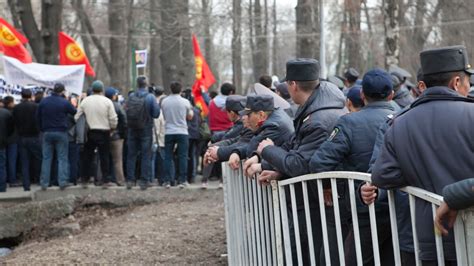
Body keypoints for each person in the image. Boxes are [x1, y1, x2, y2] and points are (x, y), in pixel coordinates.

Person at [371, 45, 474, 265]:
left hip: (432, 239)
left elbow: (383, 175)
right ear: (456, 82)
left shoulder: (400, 123)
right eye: (467, 81)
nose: (469, 87)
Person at [245, 58, 347, 264]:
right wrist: (275, 169)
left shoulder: (318, 118)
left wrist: (267, 150)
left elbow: (301, 164)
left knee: (313, 253)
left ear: (292, 85)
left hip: (319, 201)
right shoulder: (316, 107)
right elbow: (297, 147)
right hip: (317, 198)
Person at [227, 94, 294, 170]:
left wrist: (237, 152)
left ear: (261, 115)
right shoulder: (275, 116)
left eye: (248, 115)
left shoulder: (272, 126)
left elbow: (251, 149)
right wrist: (237, 152)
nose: (245, 118)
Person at [75, 81, 117, 188]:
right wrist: (112, 128)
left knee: (87, 157)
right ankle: (105, 180)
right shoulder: (107, 102)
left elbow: (77, 117)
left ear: (92, 89)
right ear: (102, 90)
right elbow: (113, 118)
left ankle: (85, 179)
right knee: (104, 157)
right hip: (104, 132)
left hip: (90, 132)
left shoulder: (85, 101)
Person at [202, 95, 250, 188]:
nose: (244, 117)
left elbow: (231, 139)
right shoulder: (241, 124)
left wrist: (215, 149)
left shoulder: (243, 125)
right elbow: (234, 138)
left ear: (232, 113)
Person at [37, 83, 77, 190]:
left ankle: (44, 183)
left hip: (47, 132)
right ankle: (62, 182)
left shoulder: (44, 101)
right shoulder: (64, 102)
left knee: (46, 158)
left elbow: (38, 117)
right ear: (62, 91)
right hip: (61, 132)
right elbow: (74, 112)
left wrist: (42, 129)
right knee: (62, 158)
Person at [125, 76, 160, 190]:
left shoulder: (131, 96)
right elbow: (156, 114)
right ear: (146, 85)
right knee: (146, 155)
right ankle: (144, 181)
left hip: (132, 129)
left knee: (131, 155)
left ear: (137, 84)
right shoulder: (150, 97)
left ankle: (130, 180)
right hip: (145, 128)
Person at [160, 81, 193, 188]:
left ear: (170, 89)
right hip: (182, 131)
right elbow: (190, 117)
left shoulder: (164, 101)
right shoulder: (185, 102)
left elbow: (164, 116)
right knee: (183, 156)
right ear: (180, 89)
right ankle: (182, 180)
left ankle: (167, 181)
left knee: (168, 157)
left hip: (169, 131)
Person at [12, 89, 42, 191]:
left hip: (22, 137)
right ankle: (39, 179)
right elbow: (39, 120)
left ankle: (26, 184)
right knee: (39, 159)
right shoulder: (35, 107)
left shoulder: (16, 108)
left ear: (21, 95)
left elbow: (14, 122)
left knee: (24, 162)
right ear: (30, 95)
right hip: (34, 136)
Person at [105, 87, 127, 186]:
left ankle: (102, 179)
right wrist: (122, 134)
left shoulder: (103, 105)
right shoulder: (117, 106)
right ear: (114, 96)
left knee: (104, 158)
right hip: (116, 136)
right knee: (117, 160)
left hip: (104, 135)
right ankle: (120, 180)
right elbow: (124, 120)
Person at [3, 96, 19, 188]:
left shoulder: (3, 112)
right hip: (13, 139)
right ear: (10, 103)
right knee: (12, 160)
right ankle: (12, 179)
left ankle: (4, 179)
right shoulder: (13, 113)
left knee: (4, 161)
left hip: (3, 140)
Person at [152, 86, 166, 185]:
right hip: (159, 140)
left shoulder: (151, 104)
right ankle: (161, 179)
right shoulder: (160, 112)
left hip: (152, 139)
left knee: (152, 160)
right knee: (161, 161)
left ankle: (152, 178)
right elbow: (161, 128)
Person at [0, 105, 14, 192]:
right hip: (2, 142)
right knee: (1, 165)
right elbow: (11, 129)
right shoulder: (6, 113)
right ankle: (2, 187)